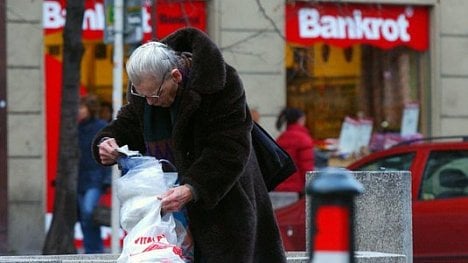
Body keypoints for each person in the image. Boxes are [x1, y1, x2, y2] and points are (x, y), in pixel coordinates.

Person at [92, 27, 286, 262]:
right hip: (171, 214)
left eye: (156, 95)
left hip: (225, 204)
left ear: (176, 76)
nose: (150, 103)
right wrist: (106, 141)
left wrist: (192, 188)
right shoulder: (146, 89)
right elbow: (129, 123)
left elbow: (229, 149)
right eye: (142, 96)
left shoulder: (220, 83)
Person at [77, 95, 112, 253]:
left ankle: (95, 250)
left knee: (89, 211)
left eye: (82, 108)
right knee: (85, 216)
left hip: (95, 177)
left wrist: (106, 178)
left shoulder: (101, 126)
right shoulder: (76, 129)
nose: (79, 111)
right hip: (80, 178)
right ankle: (91, 250)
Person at [274, 107, 314, 197]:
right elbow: (306, 167)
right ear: (300, 120)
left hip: (279, 188)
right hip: (296, 189)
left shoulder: (280, 138)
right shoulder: (304, 139)